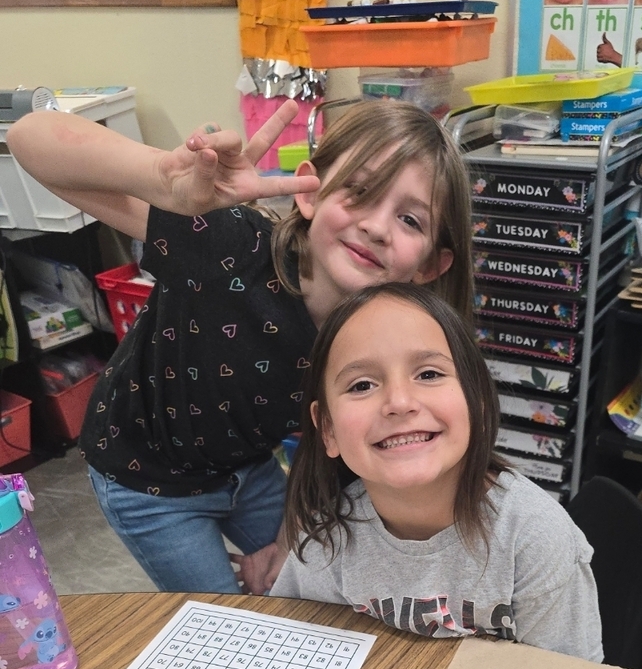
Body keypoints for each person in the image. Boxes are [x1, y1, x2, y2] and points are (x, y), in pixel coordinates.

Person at [8, 99, 473, 594]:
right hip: (145, 479)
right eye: (359, 192)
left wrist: (289, 539)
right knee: (222, 617)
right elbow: (28, 137)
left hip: (247, 466)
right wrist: (160, 178)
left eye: (410, 220)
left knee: (313, 580)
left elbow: (334, 452)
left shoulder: (384, 337)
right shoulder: (229, 245)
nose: (377, 227)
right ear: (310, 192)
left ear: (430, 265)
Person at [270, 282, 604, 663]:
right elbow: (294, 651)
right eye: (362, 385)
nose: (399, 402)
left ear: (478, 403)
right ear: (328, 429)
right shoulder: (327, 539)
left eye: (428, 374)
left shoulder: (533, 537)